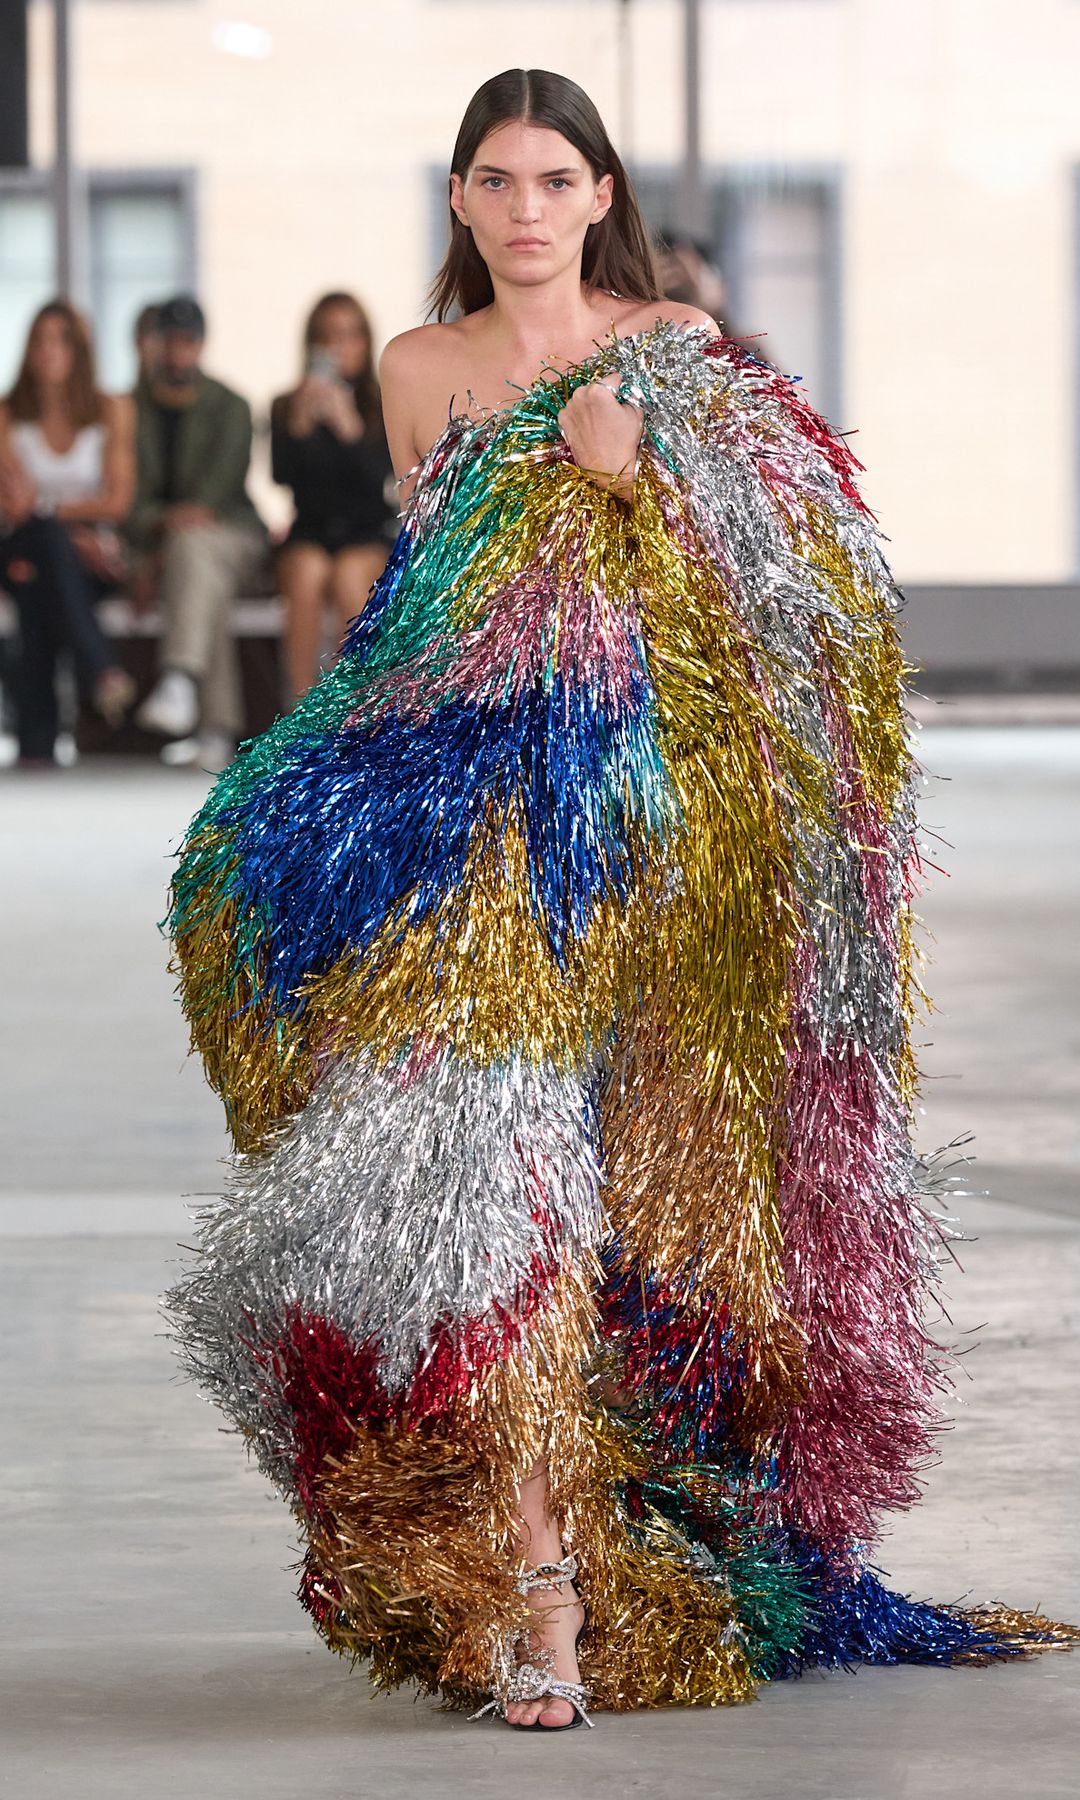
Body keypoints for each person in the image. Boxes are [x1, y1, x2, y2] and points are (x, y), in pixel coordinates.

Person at [162, 69, 1077, 1737]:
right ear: (459, 201)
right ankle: (543, 1595)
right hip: (460, 830)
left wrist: (633, 481)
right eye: (494, 180)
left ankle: (622, 1529)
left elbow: (777, 604)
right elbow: (430, 612)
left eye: (554, 178)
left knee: (630, 1212)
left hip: (653, 839)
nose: (523, 208)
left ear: (599, 195)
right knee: (486, 1191)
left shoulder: (676, 350)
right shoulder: (419, 369)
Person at [129, 294, 267, 771]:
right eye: (169, 342)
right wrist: (162, 534)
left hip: (236, 536)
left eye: (187, 342)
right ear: (154, 345)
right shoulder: (132, 408)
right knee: (202, 575)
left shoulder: (230, 405)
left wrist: (165, 529)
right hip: (173, 549)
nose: (177, 353)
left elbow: (214, 497)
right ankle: (214, 729)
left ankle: (181, 677)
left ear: (201, 345)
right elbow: (129, 498)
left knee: (195, 550)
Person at [0, 300, 136, 767]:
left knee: (38, 578)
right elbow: (13, 509)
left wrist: (49, 512)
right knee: (43, 547)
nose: (48, 351)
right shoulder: (7, 412)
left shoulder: (111, 409)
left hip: (92, 558)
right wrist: (65, 526)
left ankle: (36, 742)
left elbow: (117, 501)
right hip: (26, 547)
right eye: (39, 339)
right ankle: (99, 667)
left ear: (80, 350)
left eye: (60, 340)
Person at [270, 292, 395, 705]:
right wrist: (300, 428)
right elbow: (281, 478)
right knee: (307, 571)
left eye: (349, 336)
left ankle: (354, 707)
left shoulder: (381, 403)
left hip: (365, 532)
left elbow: (384, 481)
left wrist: (350, 429)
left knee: (347, 574)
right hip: (310, 531)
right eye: (328, 338)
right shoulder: (287, 405)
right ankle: (300, 708)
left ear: (364, 342)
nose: (339, 347)